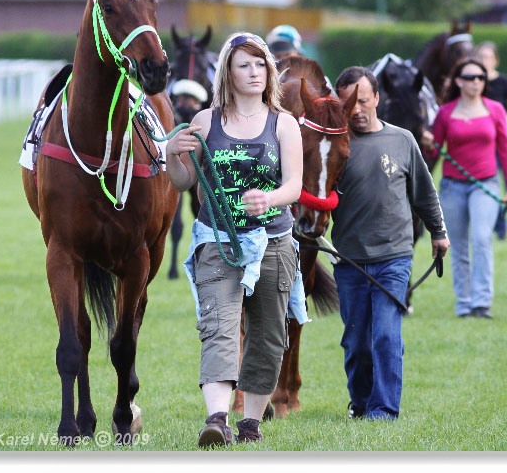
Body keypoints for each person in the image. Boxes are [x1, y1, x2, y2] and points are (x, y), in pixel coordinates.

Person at [166, 32, 304, 447]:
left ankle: (251, 425)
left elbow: (294, 185)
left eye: (261, 64)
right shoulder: (206, 121)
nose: (254, 72)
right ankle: (217, 419)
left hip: (273, 243)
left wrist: (271, 198)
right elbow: (185, 181)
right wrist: (173, 153)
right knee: (219, 327)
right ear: (227, 71)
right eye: (244, 64)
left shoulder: (284, 123)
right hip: (218, 241)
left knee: (268, 334)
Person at [331, 66, 449, 421]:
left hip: (393, 256)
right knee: (356, 343)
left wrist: (438, 233)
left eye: (363, 100)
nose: (355, 110)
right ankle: (362, 401)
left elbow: (424, 193)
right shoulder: (334, 145)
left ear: (377, 99)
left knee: (385, 335)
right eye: (347, 103)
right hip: (349, 259)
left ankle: (383, 410)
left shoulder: (403, 140)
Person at [423, 59, 507, 320]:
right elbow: (436, 150)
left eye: (481, 77)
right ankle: (464, 304)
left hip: (485, 185)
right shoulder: (446, 113)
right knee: (459, 246)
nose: (477, 81)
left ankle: (482, 302)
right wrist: (429, 142)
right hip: (453, 187)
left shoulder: (495, 110)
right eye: (471, 77)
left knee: (481, 238)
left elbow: (506, 149)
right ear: (459, 81)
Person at [474, 41, 507, 243]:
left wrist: (503, 122)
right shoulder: (475, 84)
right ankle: (495, 229)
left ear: (496, 60)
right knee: (489, 188)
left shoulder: (505, 82)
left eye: (488, 57)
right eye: (481, 57)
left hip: (506, 141)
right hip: (485, 144)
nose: (484, 61)